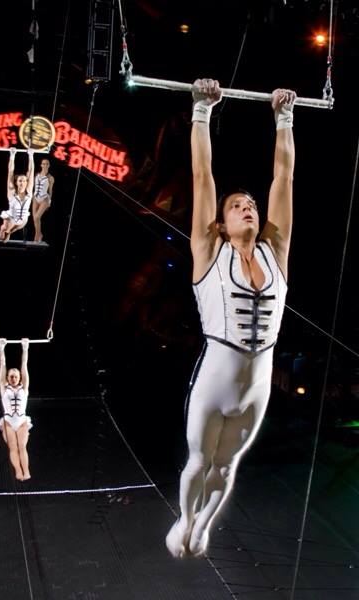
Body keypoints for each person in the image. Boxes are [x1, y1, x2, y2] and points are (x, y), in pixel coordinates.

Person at [165, 79, 296, 558]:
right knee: (200, 461)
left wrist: (284, 120)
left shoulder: (275, 250)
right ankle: (184, 517)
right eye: (238, 206)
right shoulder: (208, 251)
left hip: (258, 381)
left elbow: (282, 180)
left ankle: (202, 526)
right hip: (216, 375)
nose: (248, 208)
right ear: (221, 222)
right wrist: (201, 111)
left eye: (252, 205)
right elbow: (204, 176)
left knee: (227, 465)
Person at [0, 337, 32, 481]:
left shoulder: (25, 387)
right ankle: (18, 471)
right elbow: (2, 365)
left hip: (22, 420)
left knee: (22, 447)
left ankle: (26, 471)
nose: (13, 378)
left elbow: (24, 365)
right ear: (7, 378)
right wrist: (1, 348)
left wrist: (25, 348)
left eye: (16, 376)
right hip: (9, 421)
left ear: (19, 378)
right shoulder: (3, 388)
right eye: (11, 376)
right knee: (13, 447)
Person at [0, 147, 34, 242]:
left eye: (24, 181)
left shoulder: (29, 192)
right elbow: (10, 172)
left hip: (22, 221)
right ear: (17, 183)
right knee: (5, 235)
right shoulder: (11, 192)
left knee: (9, 230)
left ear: (26, 183)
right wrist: (12, 155)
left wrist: (31, 156)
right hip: (14, 220)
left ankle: (7, 232)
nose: (22, 182)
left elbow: (30, 172)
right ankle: (5, 232)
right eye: (20, 181)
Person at [32, 157, 54, 243]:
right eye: (43, 164)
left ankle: (37, 235)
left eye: (47, 164)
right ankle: (39, 234)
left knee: (37, 217)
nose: (45, 165)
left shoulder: (50, 177)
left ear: (49, 165)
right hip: (35, 198)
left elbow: (50, 190)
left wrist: (50, 201)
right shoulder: (36, 175)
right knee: (35, 219)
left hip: (44, 198)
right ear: (41, 165)